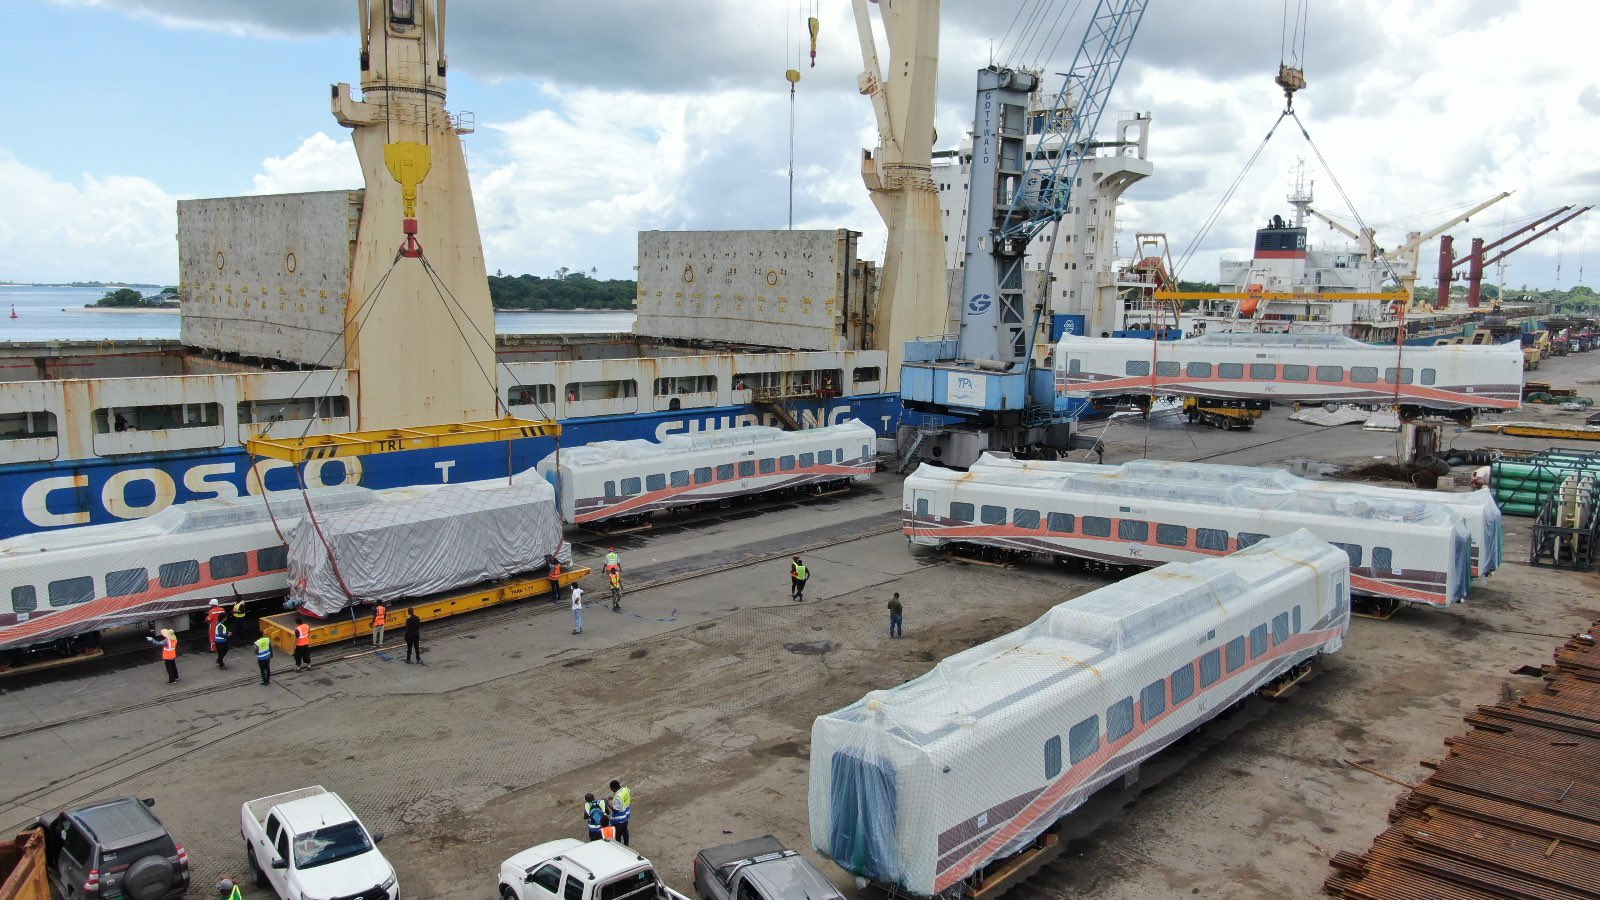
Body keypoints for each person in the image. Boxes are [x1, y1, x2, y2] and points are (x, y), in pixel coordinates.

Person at [608, 780, 633, 846]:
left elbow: (616, 810)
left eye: (611, 788)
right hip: (626, 817)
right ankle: (626, 846)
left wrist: (607, 803)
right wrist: (613, 798)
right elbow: (623, 799)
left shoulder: (617, 797)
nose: (611, 790)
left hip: (618, 820)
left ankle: (620, 848)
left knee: (618, 835)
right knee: (625, 832)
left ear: (613, 788)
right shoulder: (625, 790)